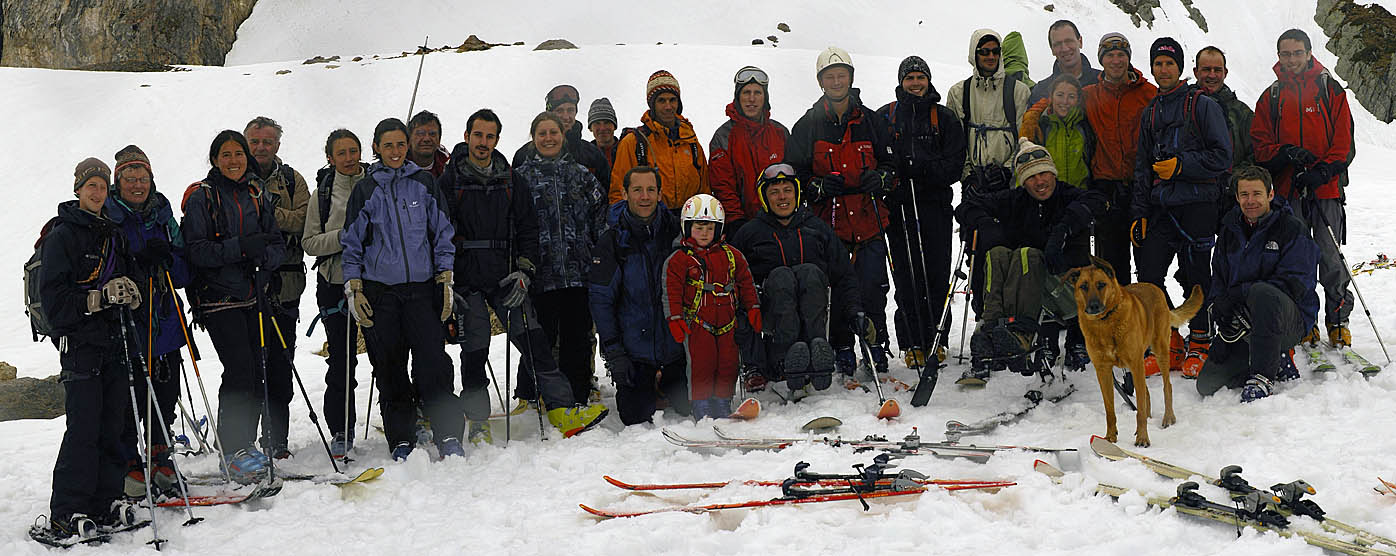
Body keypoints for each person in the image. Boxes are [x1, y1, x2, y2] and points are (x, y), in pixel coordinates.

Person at [439, 109, 610, 438]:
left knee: (535, 341)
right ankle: (477, 421)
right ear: (467, 136)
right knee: (475, 348)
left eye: (490, 137)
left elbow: (528, 228)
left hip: (506, 275)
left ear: (497, 140)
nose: (483, 143)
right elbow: (440, 231)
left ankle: (561, 409)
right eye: (478, 135)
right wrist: (449, 278)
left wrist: (524, 270)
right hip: (468, 277)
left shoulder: (509, 177)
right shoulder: (450, 181)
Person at [340, 118, 464, 460]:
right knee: (390, 366)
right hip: (382, 293)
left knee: (433, 365)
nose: (395, 151)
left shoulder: (424, 183)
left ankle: (449, 435)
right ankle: (402, 439)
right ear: (376, 148)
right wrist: (355, 287)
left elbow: (442, 232)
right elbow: (351, 243)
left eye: (400, 144)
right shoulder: (366, 189)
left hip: (422, 290)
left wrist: (445, 276)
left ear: (407, 145)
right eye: (388, 145)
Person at [39, 158, 142, 539]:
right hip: (80, 345)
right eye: (91, 186)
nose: (97, 193)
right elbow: (53, 300)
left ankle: (106, 501)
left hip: (114, 343)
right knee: (82, 429)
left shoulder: (112, 233)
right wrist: (95, 300)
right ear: (78, 189)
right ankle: (68, 509)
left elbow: (129, 276)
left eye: (102, 186)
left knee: (112, 426)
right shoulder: (62, 235)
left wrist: (131, 294)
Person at [181, 130, 287, 481]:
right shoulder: (203, 197)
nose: (233, 160)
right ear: (214, 159)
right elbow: (195, 250)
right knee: (240, 368)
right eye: (225, 155)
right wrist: (243, 248)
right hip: (217, 298)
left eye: (238, 154)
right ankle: (233, 449)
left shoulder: (257, 193)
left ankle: (245, 444)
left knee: (257, 368)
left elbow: (275, 243)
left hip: (255, 294)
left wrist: (264, 256)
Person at [955, 139, 1104, 383]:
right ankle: (989, 333)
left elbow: (1099, 201)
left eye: (1044, 173)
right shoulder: (1015, 200)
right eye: (1032, 177)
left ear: (1053, 173)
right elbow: (965, 207)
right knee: (998, 254)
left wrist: (1064, 229)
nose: (1040, 182)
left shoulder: (1069, 196)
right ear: (1023, 181)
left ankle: (1023, 334)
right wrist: (985, 224)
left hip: (1070, 293)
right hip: (1028, 292)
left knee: (1028, 254)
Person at [785, 46, 893, 381]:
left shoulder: (871, 120)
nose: (836, 81)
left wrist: (883, 178)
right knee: (835, 286)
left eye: (841, 75)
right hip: (828, 222)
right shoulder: (807, 125)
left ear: (850, 78)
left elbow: (892, 163)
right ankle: (842, 346)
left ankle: (876, 344)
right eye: (829, 76)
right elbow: (794, 174)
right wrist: (816, 187)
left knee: (872, 286)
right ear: (821, 82)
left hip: (868, 217)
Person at [1132, 37, 1233, 378]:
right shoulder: (1151, 112)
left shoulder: (1202, 106)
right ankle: (1170, 342)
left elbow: (1222, 157)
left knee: (1196, 276)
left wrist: (1180, 165)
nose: (1163, 70)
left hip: (1198, 207)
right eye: (1158, 64)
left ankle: (1200, 343)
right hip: (1162, 209)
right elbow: (1143, 168)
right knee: (1148, 275)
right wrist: (1139, 213)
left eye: (1169, 64)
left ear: (1180, 69)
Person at [1250, 28, 1356, 348]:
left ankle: (1338, 320)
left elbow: (1344, 143)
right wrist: (1285, 155)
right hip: (1288, 191)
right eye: (1286, 53)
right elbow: (1260, 145)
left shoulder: (1330, 89)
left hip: (1325, 192)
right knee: (1296, 259)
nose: (1292, 59)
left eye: (1298, 53)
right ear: (1279, 56)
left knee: (1330, 257)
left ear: (1309, 53)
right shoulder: (1271, 96)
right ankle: (1303, 320)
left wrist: (1323, 171)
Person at [730, 164, 870, 394]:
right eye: (774, 192)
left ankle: (816, 354)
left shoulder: (817, 228)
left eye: (788, 190)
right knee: (782, 276)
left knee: (809, 272)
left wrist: (854, 309)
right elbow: (732, 279)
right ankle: (786, 358)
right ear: (764, 197)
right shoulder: (749, 234)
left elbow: (844, 275)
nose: (782, 197)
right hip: (771, 315)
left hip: (815, 312)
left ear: (796, 193)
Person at [105, 145, 191, 499]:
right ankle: (128, 462)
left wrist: (167, 259)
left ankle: (160, 455)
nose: (137, 185)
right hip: (124, 321)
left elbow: (185, 269)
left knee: (164, 393)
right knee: (128, 397)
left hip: (164, 319)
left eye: (143, 178)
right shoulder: (107, 215)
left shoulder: (162, 212)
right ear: (118, 181)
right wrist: (135, 264)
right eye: (130, 178)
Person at [875, 55, 967, 367]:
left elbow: (955, 163)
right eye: (910, 78)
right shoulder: (885, 117)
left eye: (920, 78)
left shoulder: (943, 117)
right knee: (906, 273)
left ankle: (936, 340)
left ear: (928, 80)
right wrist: (892, 175)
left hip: (934, 207)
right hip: (899, 208)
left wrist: (923, 169)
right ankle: (912, 342)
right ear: (901, 81)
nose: (915, 83)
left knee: (937, 275)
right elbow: (876, 158)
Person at [1197, 165, 1317, 402]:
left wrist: (1241, 293)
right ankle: (1272, 358)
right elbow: (1219, 277)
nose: (1250, 201)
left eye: (1257, 194)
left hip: (1287, 317)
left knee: (1263, 293)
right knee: (1207, 385)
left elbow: (1296, 283)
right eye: (1244, 195)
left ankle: (1263, 376)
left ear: (1270, 194)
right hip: (1245, 320)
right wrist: (1219, 306)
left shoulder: (1291, 228)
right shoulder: (1229, 229)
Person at [516, 111, 609, 410]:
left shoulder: (581, 174)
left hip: (578, 272)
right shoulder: (521, 179)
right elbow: (513, 223)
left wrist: (598, 255)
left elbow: (600, 217)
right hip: (540, 273)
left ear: (562, 136)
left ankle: (577, 395)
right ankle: (535, 394)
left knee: (577, 338)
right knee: (540, 337)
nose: (548, 138)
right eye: (542, 133)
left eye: (553, 133)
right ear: (533, 138)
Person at [590, 167, 689, 424]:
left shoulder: (676, 232)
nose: (644, 197)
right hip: (636, 351)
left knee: (689, 407)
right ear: (624, 193)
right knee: (634, 416)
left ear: (659, 193)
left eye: (650, 190)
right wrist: (614, 353)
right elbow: (601, 300)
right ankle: (648, 383)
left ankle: (668, 382)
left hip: (677, 349)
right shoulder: (612, 240)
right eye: (637, 190)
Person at [243, 116, 308, 459]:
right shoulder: (234, 176)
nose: (261, 148)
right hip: (246, 289)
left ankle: (276, 441)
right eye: (255, 142)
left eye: (267, 142)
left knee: (281, 364)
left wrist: (266, 211)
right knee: (248, 366)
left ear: (278, 145)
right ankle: (244, 444)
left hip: (285, 286)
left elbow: (303, 220)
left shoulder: (292, 179)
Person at [663, 194, 760, 419]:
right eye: (699, 228)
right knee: (701, 365)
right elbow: (671, 291)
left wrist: (753, 306)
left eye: (709, 228)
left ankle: (722, 402)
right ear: (687, 228)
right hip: (698, 324)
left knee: (728, 364)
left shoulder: (732, 255)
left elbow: (745, 280)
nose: (704, 234)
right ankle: (702, 405)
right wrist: (675, 318)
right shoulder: (679, 259)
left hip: (728, 322)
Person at [302, 129, 367, 458]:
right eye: (341, 153)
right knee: (343, 361)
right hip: (335, 285)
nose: (349, 158)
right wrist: (345, 236)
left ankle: (403, 423)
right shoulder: (322, 194)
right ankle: (342, 429)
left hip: (376, 284)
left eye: (353, 151)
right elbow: (310, 243)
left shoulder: (376, 183)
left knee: (390, 357)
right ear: (330, 157)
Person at [1082, 32, 1156, 289]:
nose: (1116, 60)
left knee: (1148, 263)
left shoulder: (1149, 93)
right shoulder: (1089, 94)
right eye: (1110, 55)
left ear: (1129, 58)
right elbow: (1057, 101)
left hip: (1141, 188)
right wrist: (1033, 117)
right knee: (1112, 268)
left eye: (1121, 55)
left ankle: (1146, 321)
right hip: (1106, 190)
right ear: (1101, 60)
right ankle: (1117, 324)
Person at [608, 70, 710, 211]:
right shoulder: (633, 143)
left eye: (672, 100)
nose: (668, 106)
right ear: (652, 104)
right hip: (649, 224)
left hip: (687, 224)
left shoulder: (690, 141)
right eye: (661, 100)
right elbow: (618, 194)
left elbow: (704, 190)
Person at [947, 28, 1031, 196]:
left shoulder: (1018, 91)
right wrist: (968, 176)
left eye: (995, 51)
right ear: (974, 54)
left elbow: (1025, 138)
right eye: (984, 51)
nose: (991, 56)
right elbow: (954, 142)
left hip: (1010, 185)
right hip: (974, 186)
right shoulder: (959, 92)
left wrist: (1008, 171)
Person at [709, 65, 789, 240]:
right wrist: (737, 223)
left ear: (765, 98)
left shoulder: (780, 132)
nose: (751, 99)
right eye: (746, 93)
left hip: (781, 223)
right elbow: (723, 186)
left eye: (757, 93)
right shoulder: (723, 136)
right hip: (742, 226)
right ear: (738, 97)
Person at [516, 85, 611, 192]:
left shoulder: (593, 155)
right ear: (549, 114)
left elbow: (605, 198)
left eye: (570, 110)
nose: (566, 117)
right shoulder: (524, 155)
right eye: (559, 111)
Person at [1021, 75, 1095, 191]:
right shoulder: (1039, 126)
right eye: (1060, 95)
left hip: (1079, 197)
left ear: (1078, 100)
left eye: (1071, 96)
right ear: (1051, 97)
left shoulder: (1085, 127)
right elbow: (1024, 169)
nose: (1065, 101)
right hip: (1047, 198)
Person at [1027, 20, 1102, 106]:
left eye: (1069, 41)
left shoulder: (1102, 82)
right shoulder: (1041, 91)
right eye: (1058, 44)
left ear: (1080, 42)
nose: (1065, 49)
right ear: (1052, 50)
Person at [407, 110, 450, 178]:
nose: (426, 139)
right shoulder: (397, 166)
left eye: (432, 134)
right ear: (409, 139)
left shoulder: (450, 167)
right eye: (421, 133)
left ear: (439, 140)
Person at [588, 98, 620, 168]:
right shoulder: (584, 155)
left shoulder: (627, 150)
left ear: (614, 126)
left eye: (607, 122)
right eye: (597, 123)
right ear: (590, 128)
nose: (602, 128)